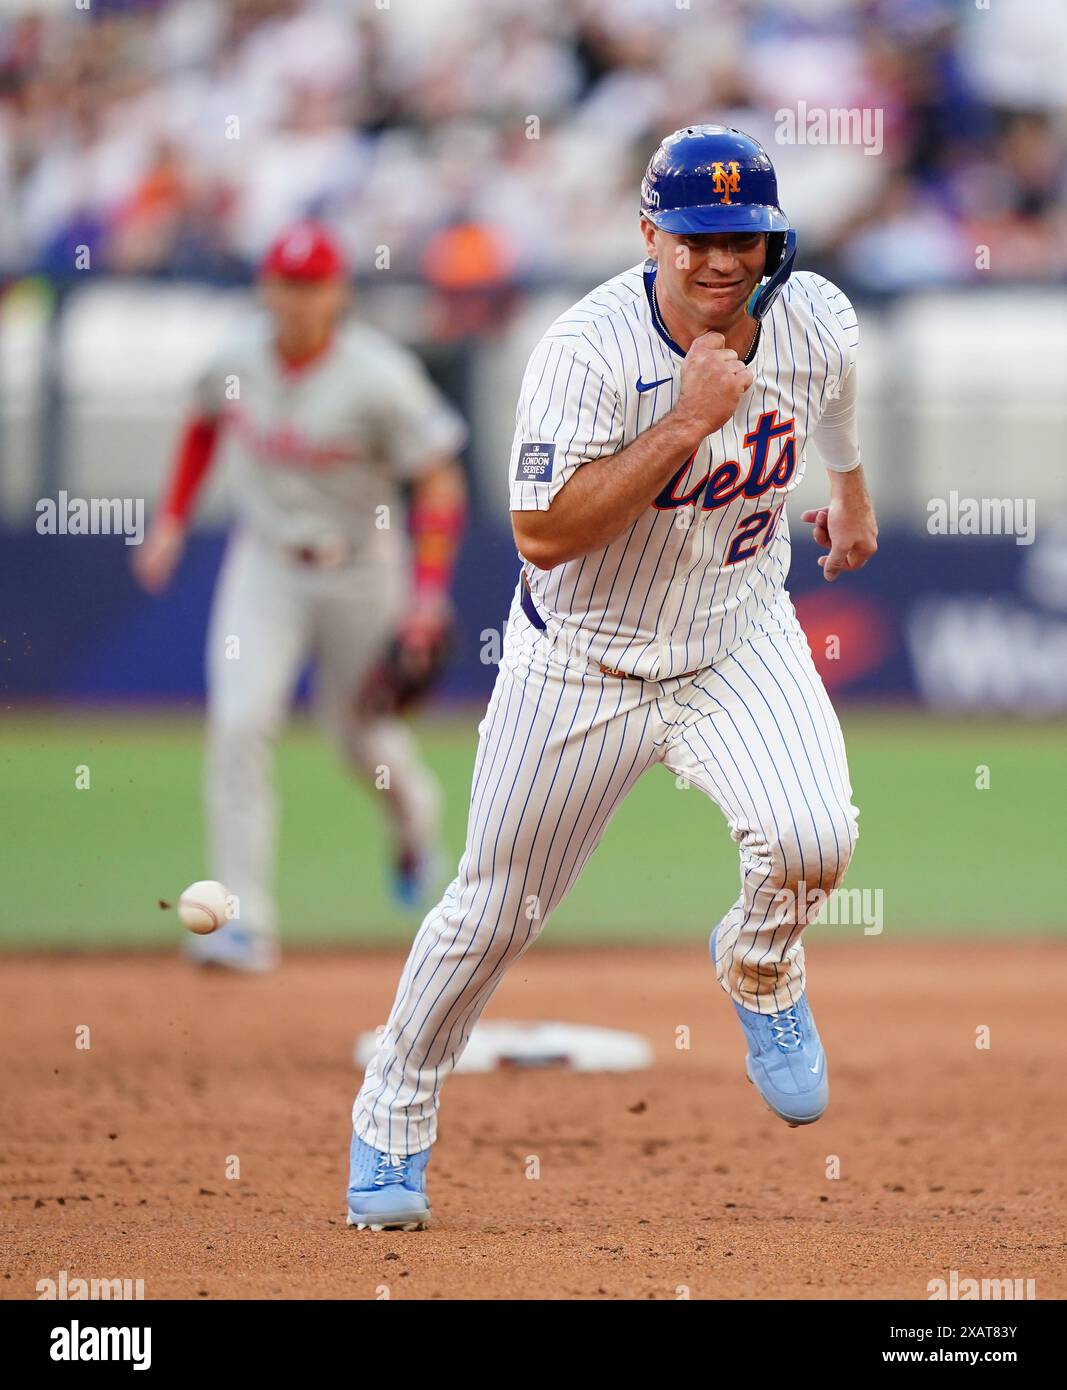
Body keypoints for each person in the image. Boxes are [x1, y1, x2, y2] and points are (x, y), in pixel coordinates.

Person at [343, 127, 878, 1230]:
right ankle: (392, 1112)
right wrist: (688, 417)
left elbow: (832, 396)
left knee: (812, 837)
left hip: (737, 633)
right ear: (649, 236)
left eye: (743, 235)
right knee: (493, 910)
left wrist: (852, 490)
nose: (721, 259)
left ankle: (759, 966)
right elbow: (541, 532)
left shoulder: (814, 315)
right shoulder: (584, 349)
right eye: (695, 238)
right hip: (579, 661)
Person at [133, 222, 468, 972]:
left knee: (359, 742)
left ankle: (414, 825)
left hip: (362, 570)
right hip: (266, 565)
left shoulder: (378, 376)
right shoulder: (235, 357)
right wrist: (172, 521)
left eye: (312, 283)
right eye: (285, 282)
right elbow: (201, 424)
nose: (297, 298)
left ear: (337, 291)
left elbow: (440, 476)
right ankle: (242, 920)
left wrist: (428, 595)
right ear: (266, 287)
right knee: (239, 722)